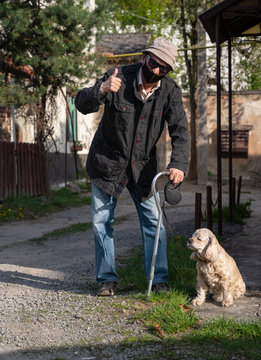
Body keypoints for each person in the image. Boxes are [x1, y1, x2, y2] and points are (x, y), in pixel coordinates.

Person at [75, 37, 190, 296]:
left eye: (164, 68)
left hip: (143, 168)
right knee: (101, 221)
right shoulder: (117, 77)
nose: (157, 70)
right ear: (144, 58)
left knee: (154, 221)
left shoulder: (170, 91)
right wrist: (102, 89)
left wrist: (179, 164)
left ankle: (158, 280)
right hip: (107, 162)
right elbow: (81, 104)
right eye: (154, 63)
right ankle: (106, 279)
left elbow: (180, 131)